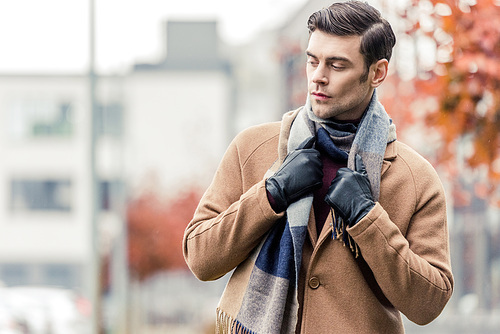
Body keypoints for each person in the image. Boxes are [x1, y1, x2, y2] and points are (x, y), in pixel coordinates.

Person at [183, 1, 454, 333]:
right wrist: (271, 194)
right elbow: (200, 258)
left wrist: (368, 219)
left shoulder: (415, 178)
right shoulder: (253, 148)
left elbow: (428, 303)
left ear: (377, 73)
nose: (318, 77)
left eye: (337, 65)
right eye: (313, 61)